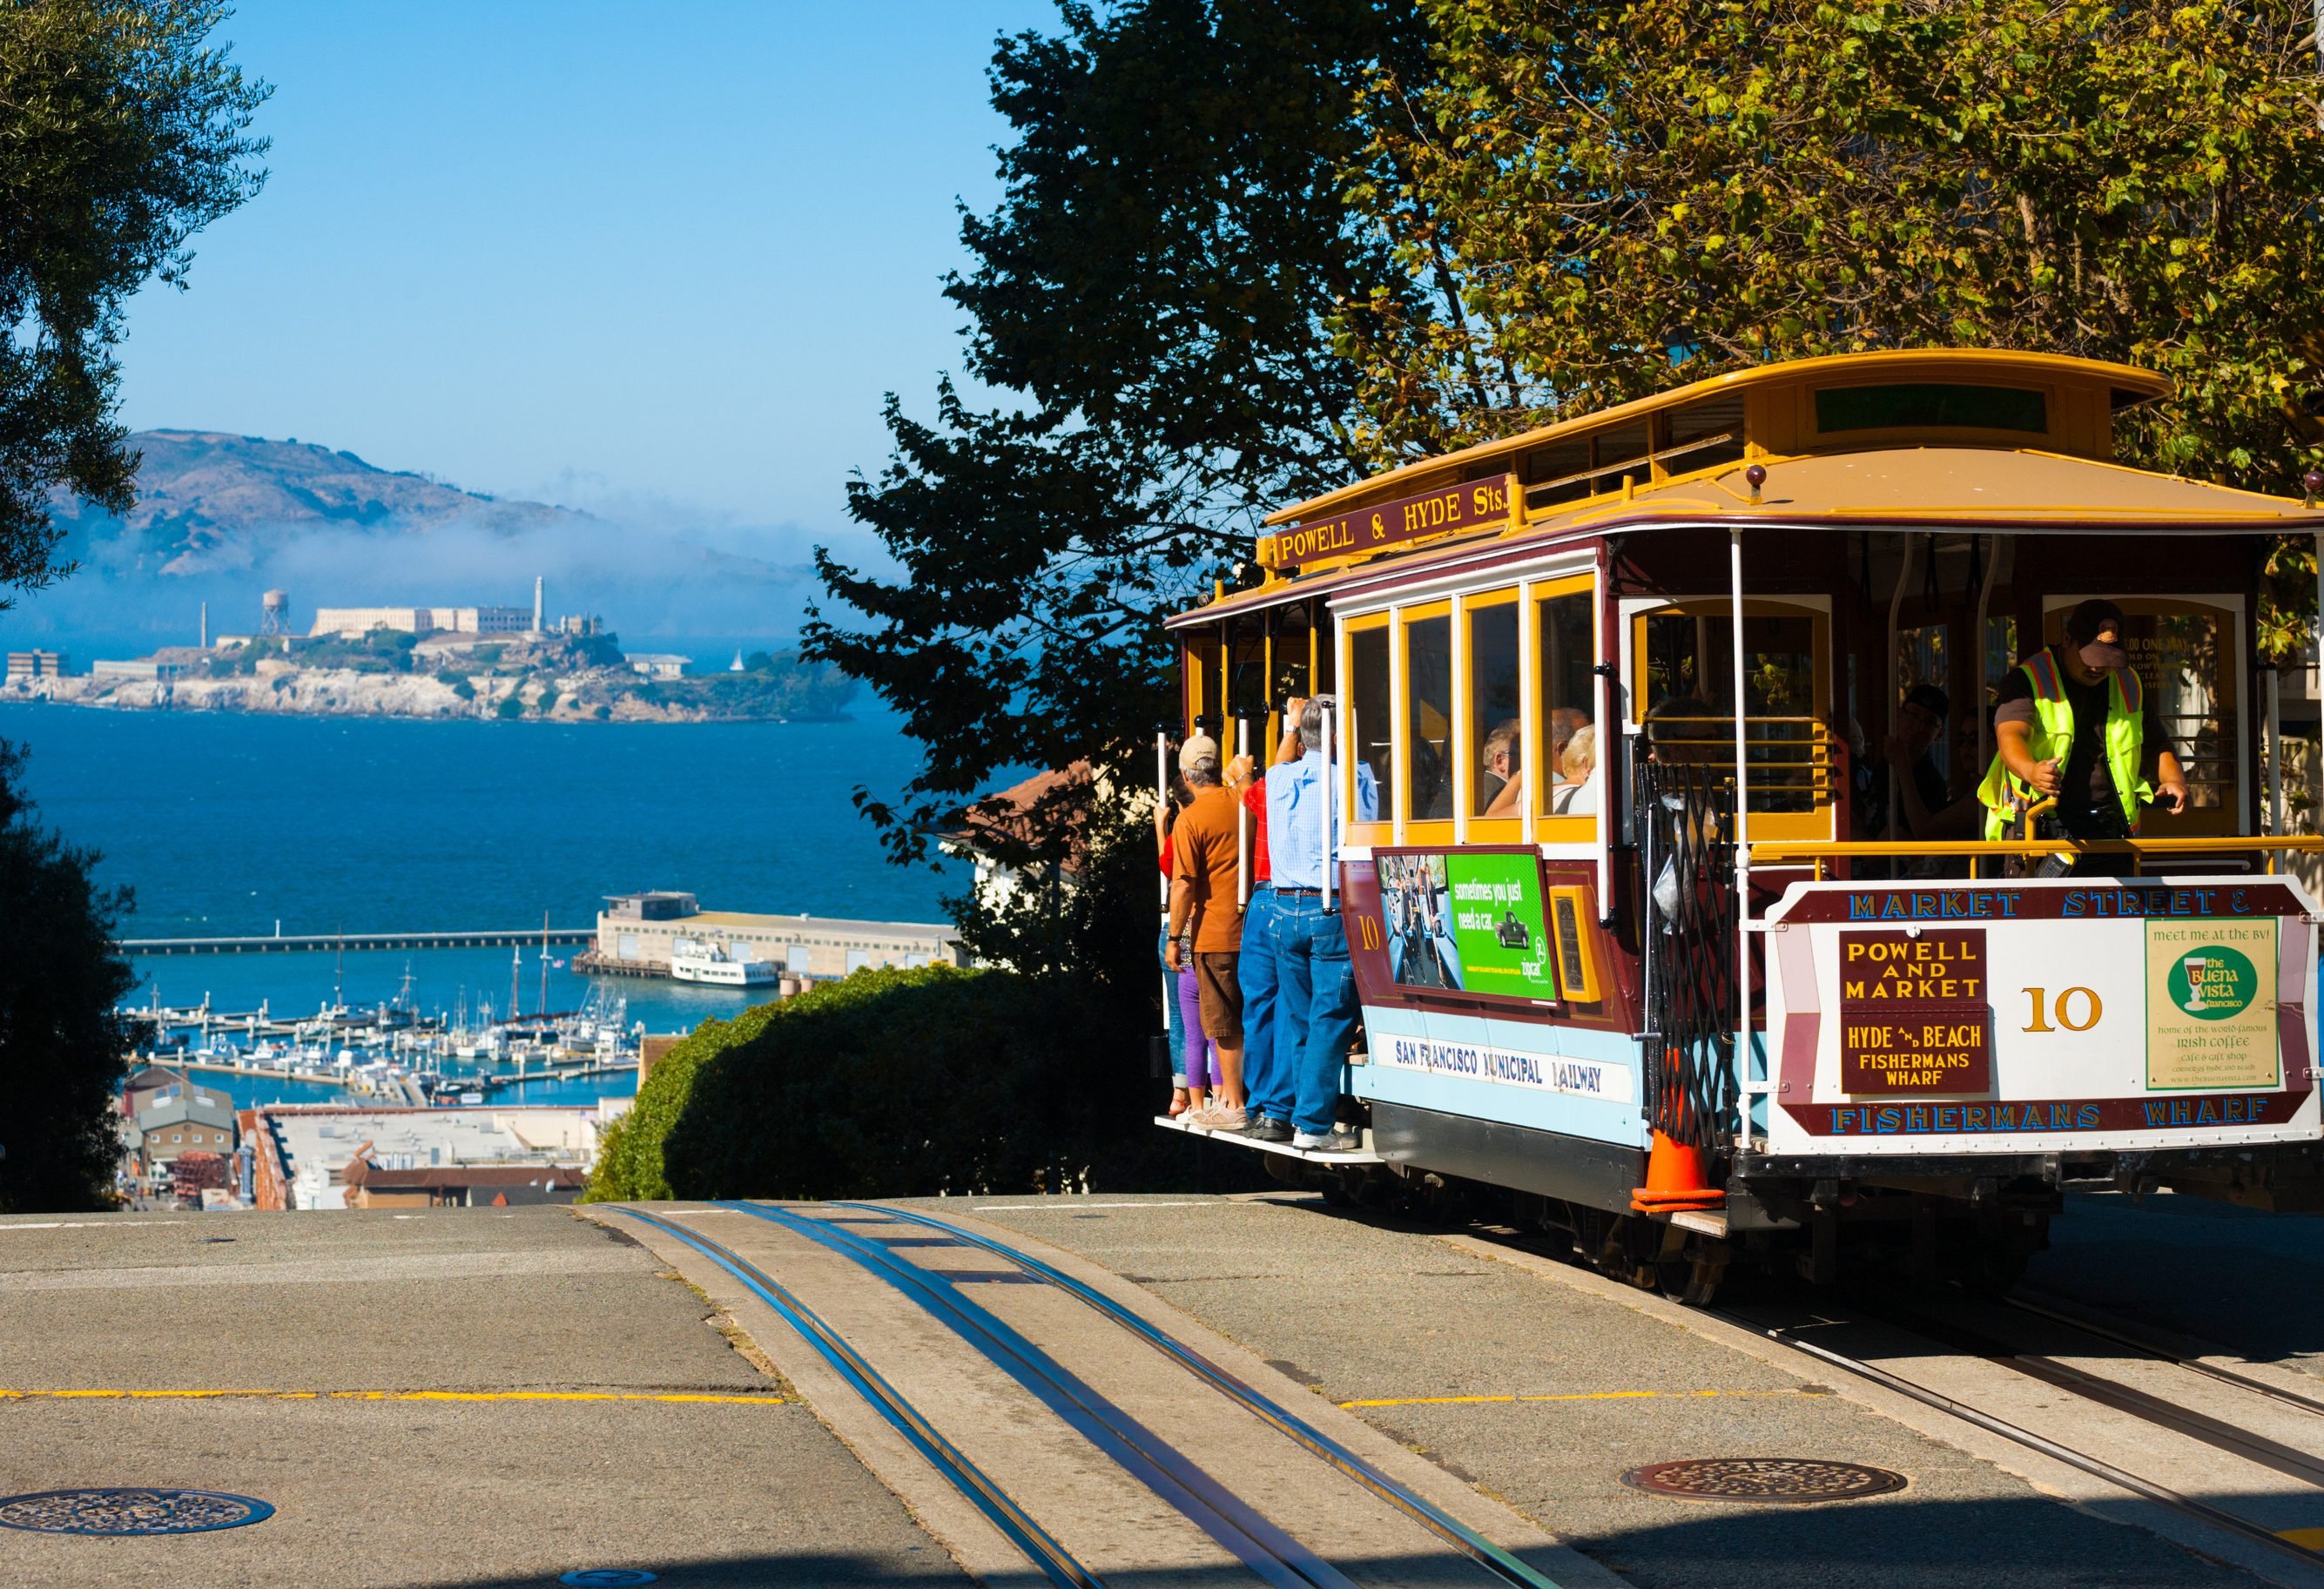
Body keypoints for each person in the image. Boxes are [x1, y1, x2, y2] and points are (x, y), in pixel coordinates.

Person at [1979, 597, 2188, 873]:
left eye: (2107, 660)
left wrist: (2173, 779)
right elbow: (2010, 736)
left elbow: (2157, 742)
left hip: (2111, 828)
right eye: (2090, 657)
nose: (2097, 668)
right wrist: (2031, 771)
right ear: (2067, 639)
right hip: (2040, 827)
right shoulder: (2028, 678)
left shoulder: (2129, 682)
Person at [1246, 697, 1364, 1153]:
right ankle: (1313, 1126)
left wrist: (1292, 725)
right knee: (1329, 1017)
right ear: (1337, 735)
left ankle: (1293, 1114)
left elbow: (1280, 763)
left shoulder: (1278, 779)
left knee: (1296, 1017)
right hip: (1328, 909)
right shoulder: (1353, 778)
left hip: (1282, 909)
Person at [1222, 704, 1305, 1145]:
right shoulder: (1292, 784)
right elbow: (1262, 788)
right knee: (1273, 1003)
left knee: (1267, 1003)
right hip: (1277, 896)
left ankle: (1271, 1106)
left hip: (1275, 895)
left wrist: (1242, 775)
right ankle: (1268, 1105)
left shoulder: (1294, 786)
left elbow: (1261, 791)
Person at [1166, 734, 1248, 1129]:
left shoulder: (1190, 819)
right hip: (1254, 927)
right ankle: (1243, 1096)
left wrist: (1174, 938)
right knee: (1253, 1016)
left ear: (1186, 775)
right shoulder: (1243, 801)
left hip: (1213, 934)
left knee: (1222, 1024)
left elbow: (1183, 884)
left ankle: (1234, 1103)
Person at [1153, 776, 1212, 1117]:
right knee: (1211, 1012)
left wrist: (1160, 828)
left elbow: (1169, 868)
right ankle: (1218, 1088)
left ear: (1178, 803)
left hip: (1175, 930)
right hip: (1202, 927)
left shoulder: (1182, 829)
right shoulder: (1208, 825)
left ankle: (1181, 1092)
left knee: (1180, 1015)